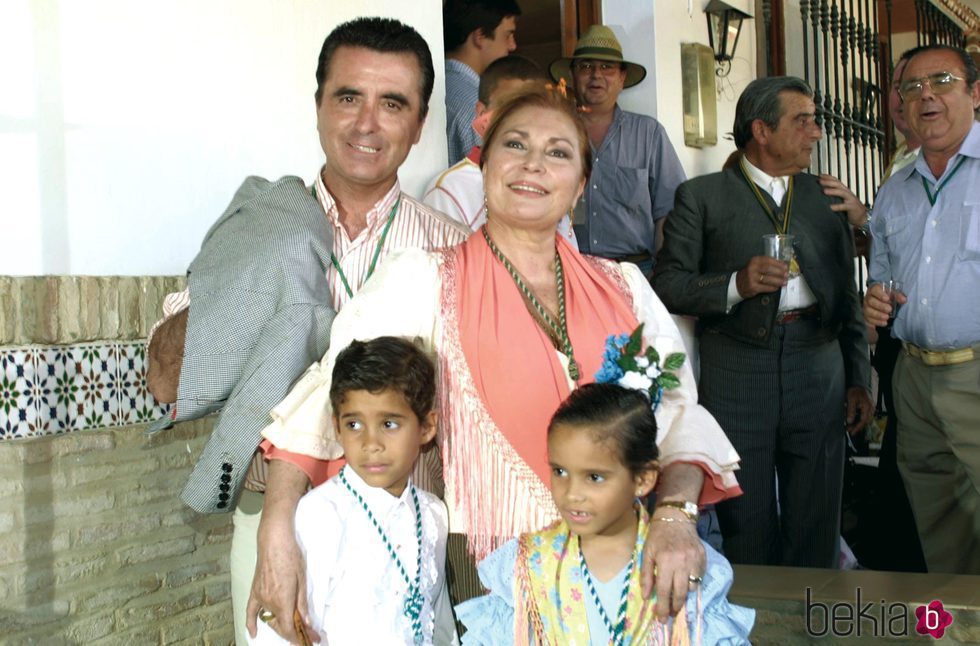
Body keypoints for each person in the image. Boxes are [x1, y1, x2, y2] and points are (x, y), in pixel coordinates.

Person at [258, 88, 742, 629]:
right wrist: (276, 531)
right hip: (495, 575)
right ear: (485, 166)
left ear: (581, 185)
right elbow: (332, 392)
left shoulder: (624, 286)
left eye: (558, 152)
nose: (534, 163)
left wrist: (676, 517)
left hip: (624, 565)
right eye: (515, 144)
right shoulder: (424, 278)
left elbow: (677, 414)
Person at [145, 17, 469, 644]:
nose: (366, 123)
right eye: (348, 97)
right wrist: (246, 267)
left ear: (420, 124)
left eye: (392, 103)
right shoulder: (261, 224)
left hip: (404, 520)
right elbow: (164, 382)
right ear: (319, 105)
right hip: (274, 516)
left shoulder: (452, 251)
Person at [653, 76, 874, 568]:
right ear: (761, 130)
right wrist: (736, 284)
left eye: (815, 121)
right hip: (736, 370)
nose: (815, 132)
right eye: (802, 121)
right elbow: (668, 283)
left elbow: (847, 295)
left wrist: (860, 377)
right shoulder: (702, 196)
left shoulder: (829, 196)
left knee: (817, 514)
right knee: (745, 519)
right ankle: (756, 630)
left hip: (818, 364)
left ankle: (813, 629)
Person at [455, 383, 754, 645]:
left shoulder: (678, 563)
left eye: (594, 477)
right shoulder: (526, 565)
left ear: (643, 479)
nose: (572, 493)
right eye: (560, 471)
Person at [249, 337, 457, 645]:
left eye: (389, 423)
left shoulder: (433, 515)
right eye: (354, 425)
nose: (370, 443)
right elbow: (274, 632)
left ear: (426, 427)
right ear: (336, 428)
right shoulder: (320, 516)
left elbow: (439, 622)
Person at [863, 44, 980, 574]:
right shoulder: (895, 190)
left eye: (943, 81)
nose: (926, 94)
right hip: (914, 377)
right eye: (912, 87)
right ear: (901, 106)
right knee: (939, 521)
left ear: (975, 93)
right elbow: (882, 278)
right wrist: (877, 300)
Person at [549, 25, 685, 278]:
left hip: (636, 273)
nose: (596, 75)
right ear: (572, 74)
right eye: (586, 66)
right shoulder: (552, 133)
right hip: (570, 273)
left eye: (606, 67)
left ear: (622, 78)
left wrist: (665, 274)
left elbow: (670, 213)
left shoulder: (649, 134)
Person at [423, 54, 575, 243]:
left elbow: (567, 259)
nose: (519, 119)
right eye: (508, 107)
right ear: (481, 113)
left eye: (529, 108)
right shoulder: (450, 190)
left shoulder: (548, 181)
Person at [443, 0, 520, 165]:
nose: (512, 45)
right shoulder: (478, 108)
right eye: (507, 35)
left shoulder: (438, 84)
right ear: (480, 37)